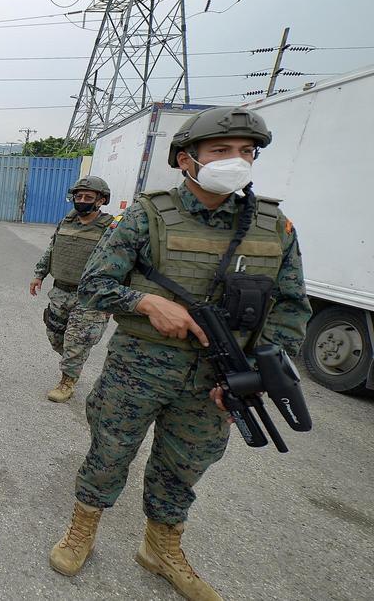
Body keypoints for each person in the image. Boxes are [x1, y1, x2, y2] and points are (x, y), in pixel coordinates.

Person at [48, 107, 310, 600]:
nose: (237, 160)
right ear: (186, 159)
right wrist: (144, 301)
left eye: (246, 152)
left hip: (217, 380)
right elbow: (94, 285)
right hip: (139, 370)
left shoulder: (276, 227)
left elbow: (292, 309)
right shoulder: (146, 217)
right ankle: (82, 528)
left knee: (185, 465)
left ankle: (161, 548)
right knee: (109, 453)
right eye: (222, 151)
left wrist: (251, 374)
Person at [29, 176, 115, 403]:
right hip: (61, 291)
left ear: (101, 200)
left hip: (91, 296)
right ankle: (73, 362)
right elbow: (53, 248)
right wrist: (39, 274)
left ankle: (67, 381)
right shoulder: (66, 222)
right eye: (79, 196)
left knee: (76, 341)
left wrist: (114, 298)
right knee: (56, 336)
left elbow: (123, 263)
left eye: (88, 197)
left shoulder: (111, 228)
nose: (82, 200)